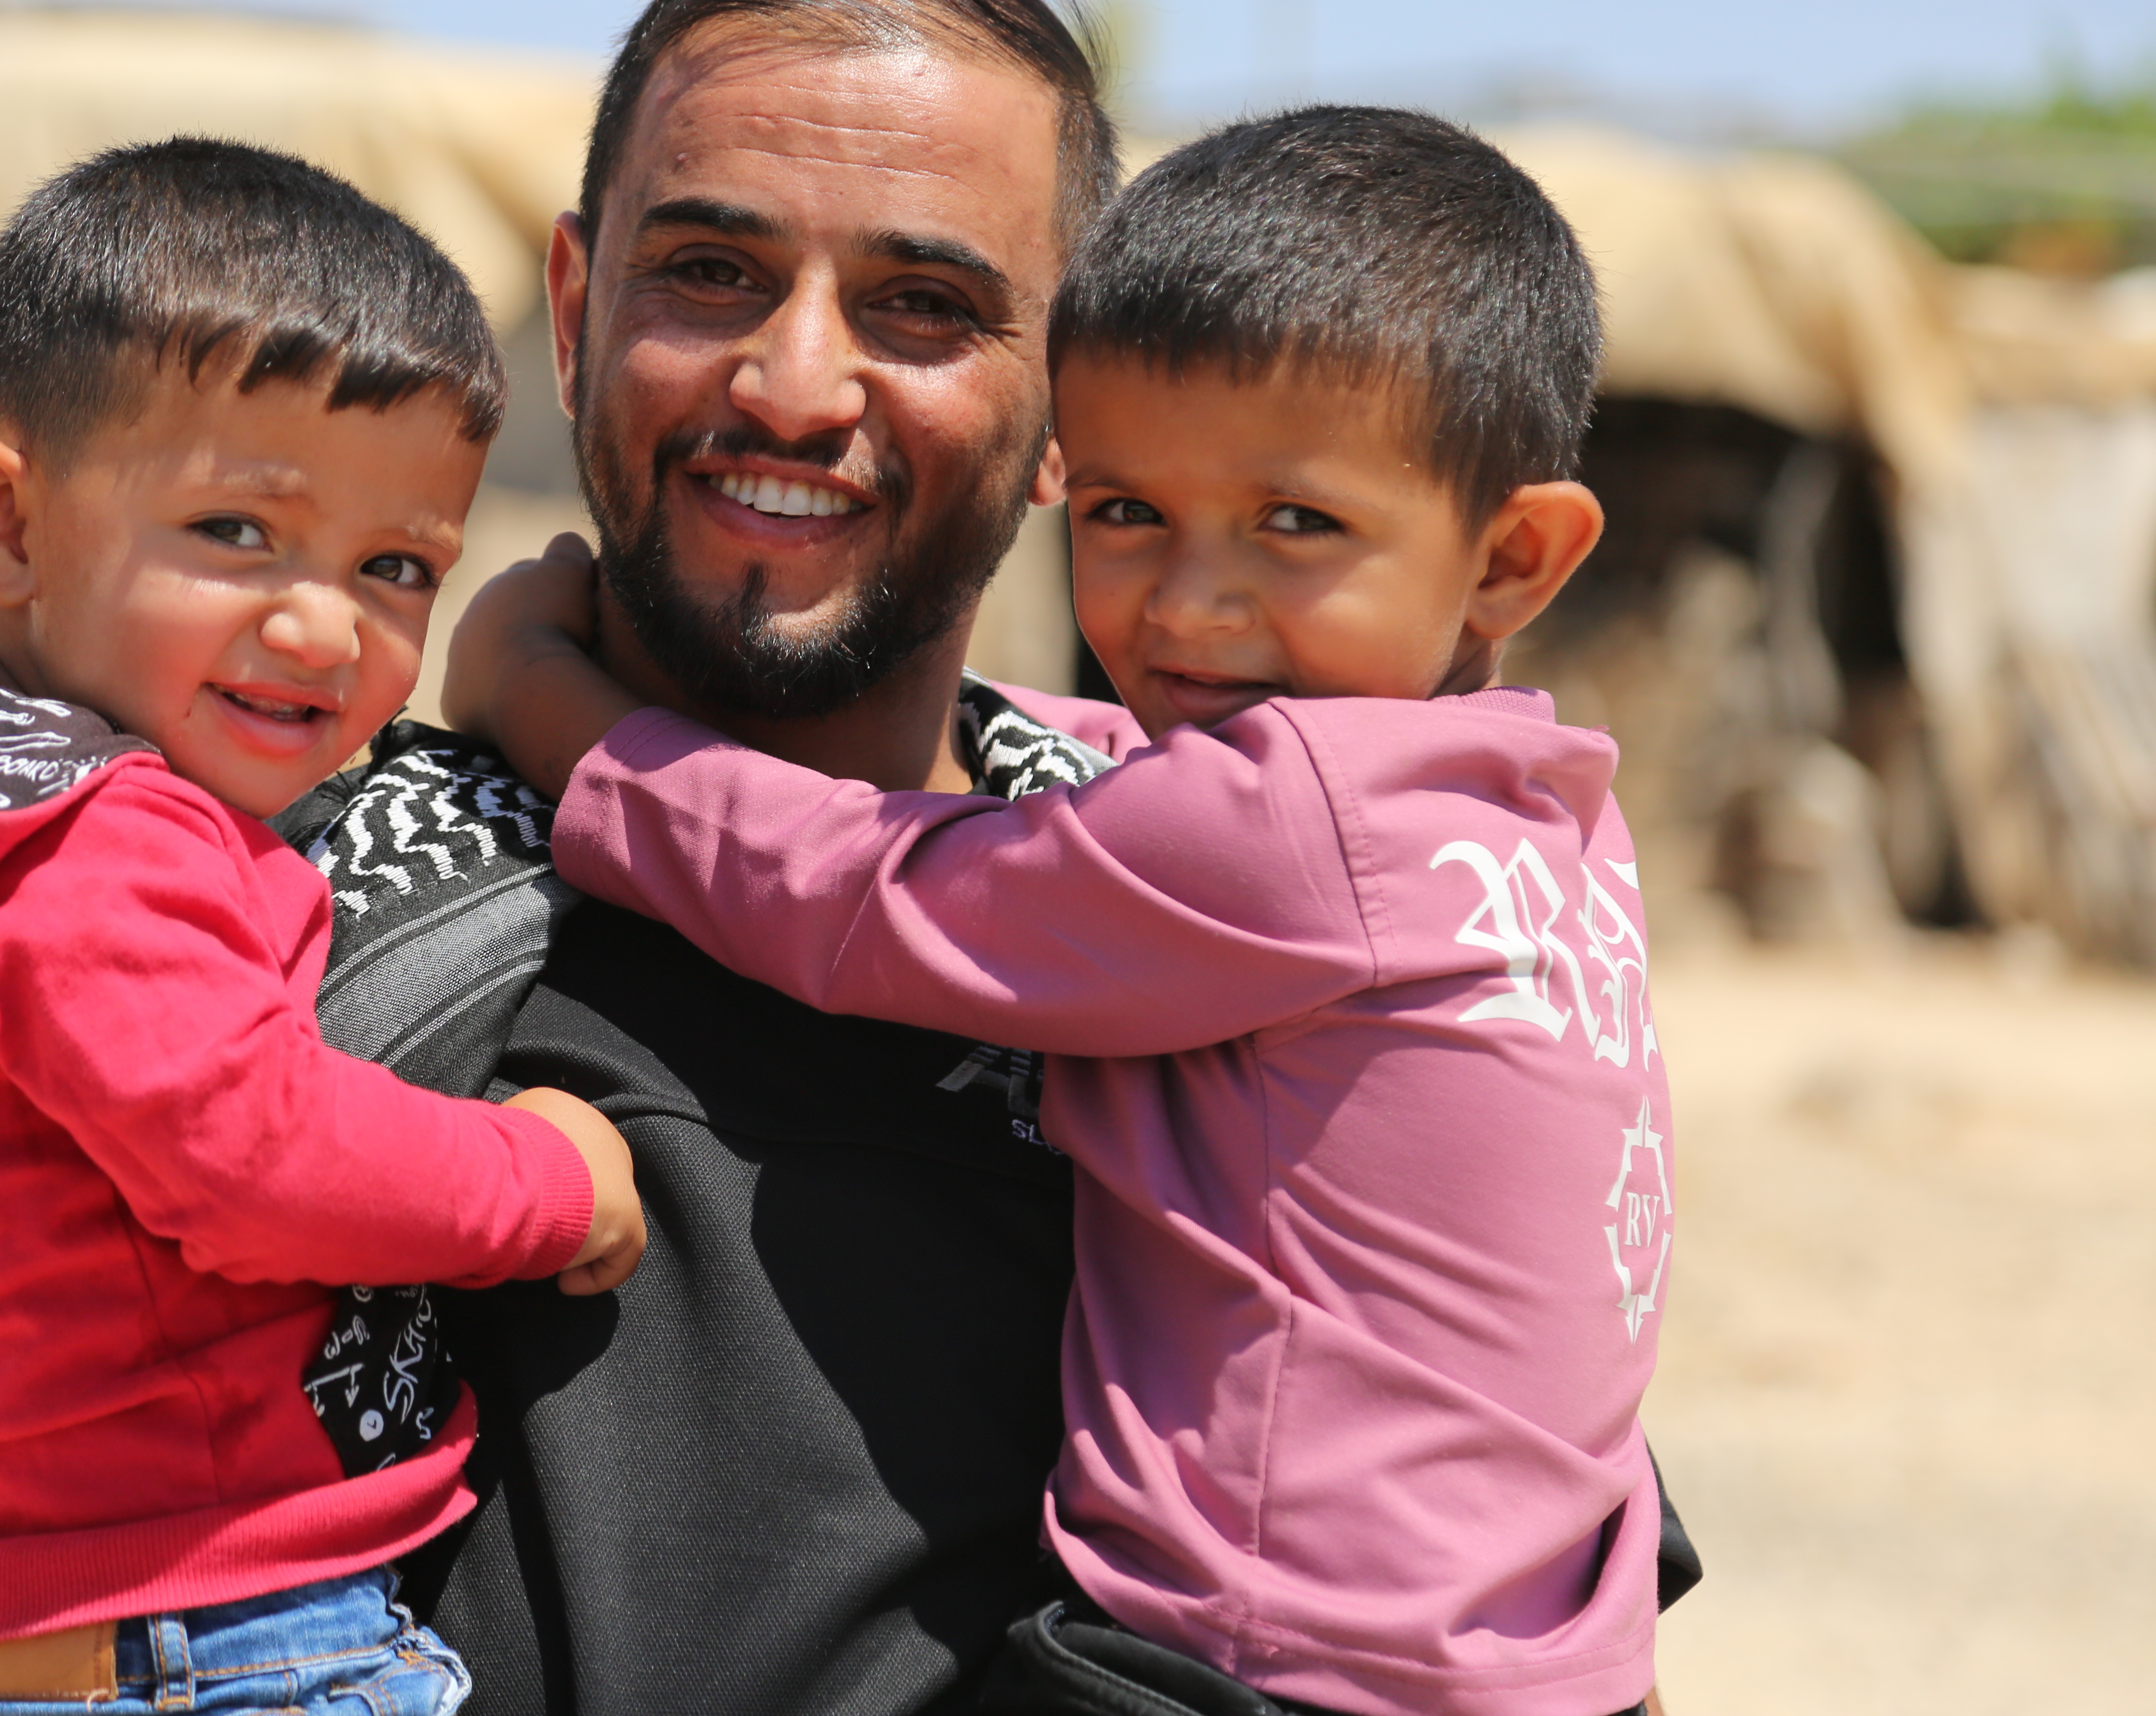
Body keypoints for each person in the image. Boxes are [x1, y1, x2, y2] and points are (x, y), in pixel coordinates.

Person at [0, 0, 1690, 1716]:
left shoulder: (1250, 931)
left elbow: (1509, 1546)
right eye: (712, 273)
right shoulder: (266, 900)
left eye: (924, 304)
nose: (795, 385)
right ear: (571, 310)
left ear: (1065, 402)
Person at [447, 106, 1671, 1716]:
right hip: (1543, 1650)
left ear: (1515, 556)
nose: (1189, 604)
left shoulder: (1283, 833)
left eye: (1295, 525)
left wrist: (554, 708)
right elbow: (1155, 793)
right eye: (1126, 513)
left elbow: (859, 896)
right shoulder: (1540, 810)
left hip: (1262, 1666)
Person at [0, 138, 645, 1716]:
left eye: (397, 566)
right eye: (238, 533)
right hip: (215, 1646)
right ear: (3, 522)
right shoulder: (104, 845)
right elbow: (259, 1158)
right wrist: (552, 1177)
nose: (322, 625)